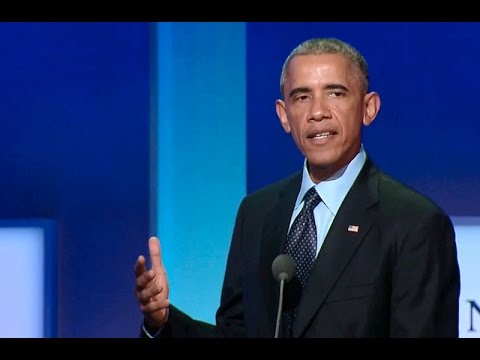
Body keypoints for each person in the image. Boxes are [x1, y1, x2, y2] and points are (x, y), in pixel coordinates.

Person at [134, 37, 460, 338]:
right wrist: (162, 322)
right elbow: (237, 333)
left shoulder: (415, 223)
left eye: (335, 93)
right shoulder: (258, 212)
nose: (317, 112)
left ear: (368, 108)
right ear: (284, 115)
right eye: (301, 97)